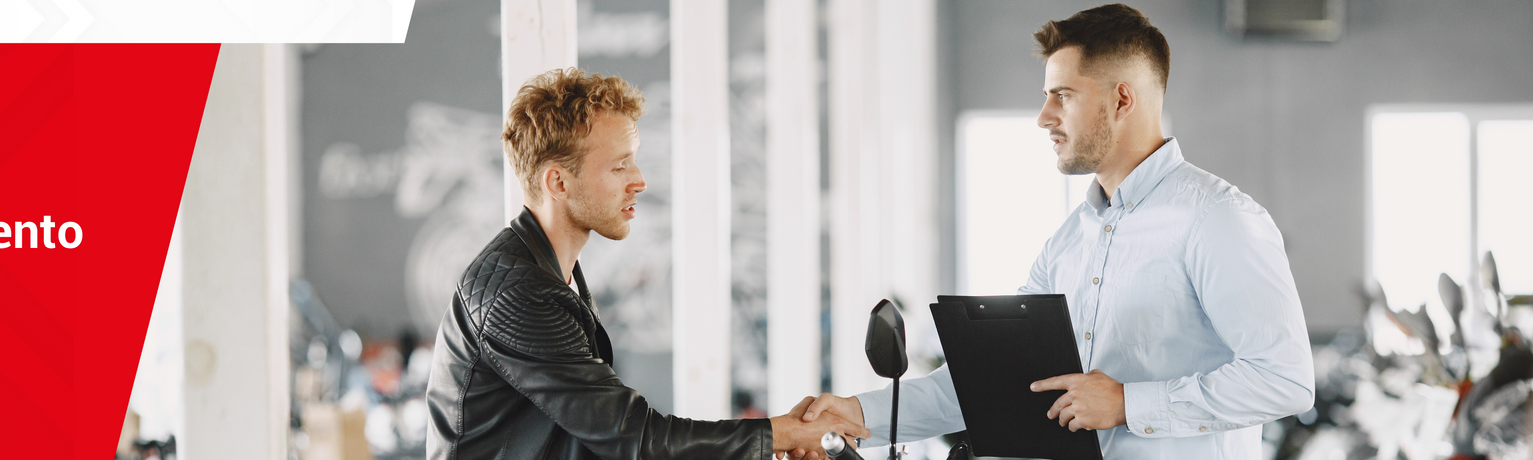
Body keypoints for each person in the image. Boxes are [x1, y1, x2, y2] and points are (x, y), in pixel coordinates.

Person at [793, 5, 1314, 459]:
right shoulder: (1067, 243)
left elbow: (1285, 380)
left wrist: (1129, 403)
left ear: (1122, 100)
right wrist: (854, 413)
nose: (1044, 117)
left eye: (1062, 95)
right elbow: (991, 383)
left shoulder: (1217, 219)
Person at [425, 68, 865, 460]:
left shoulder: (548, 272)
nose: (639, 181)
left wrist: (776, 442)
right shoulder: (519, 294)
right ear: (557, 181)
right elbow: (636, 439)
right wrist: (783, 434)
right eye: (619, 167)